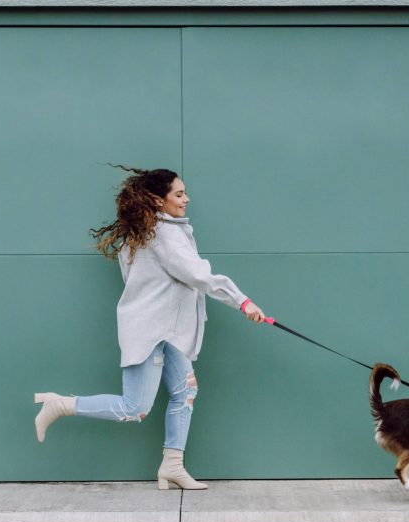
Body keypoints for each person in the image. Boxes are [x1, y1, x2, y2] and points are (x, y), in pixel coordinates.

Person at [33, 166, 265, 490]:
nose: (187, 199)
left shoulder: (145, 232)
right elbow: (197, 274)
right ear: (158, 200)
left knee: (186, 391)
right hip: (151, 331)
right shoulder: (164, 234)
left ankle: (172, 465)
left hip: (163, 331)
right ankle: (60, 404)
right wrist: (243, 301)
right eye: (179, 194)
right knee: (135, 407)